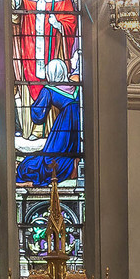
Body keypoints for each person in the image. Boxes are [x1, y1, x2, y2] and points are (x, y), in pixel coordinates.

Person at [16, 55, 82, 183]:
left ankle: (70, 166)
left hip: (64, 125)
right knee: (71, 150)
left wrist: (32, 109)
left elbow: (39, 114)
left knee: (48, 159)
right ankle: (74, 162)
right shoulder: (76, 86)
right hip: (80, 122)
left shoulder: (49, 90)